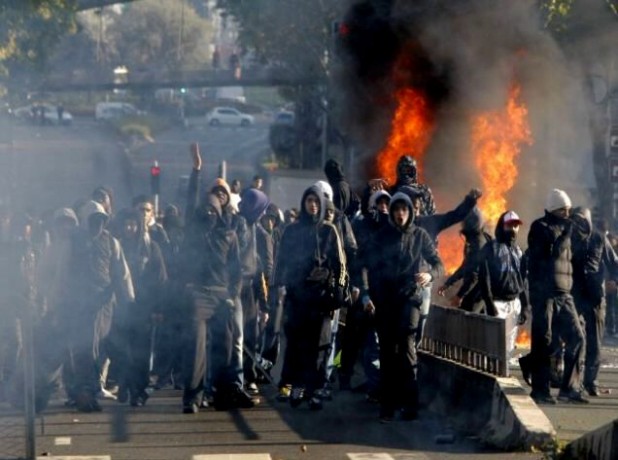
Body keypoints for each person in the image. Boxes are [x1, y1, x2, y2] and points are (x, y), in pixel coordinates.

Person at [182, 144, 254, 412]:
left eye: (222, 197)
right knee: (197, 350)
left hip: (223, 295)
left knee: (225, 349)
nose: (214, 207)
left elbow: (238, 267)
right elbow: (190, 201)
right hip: (199, 295)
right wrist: (196, 170)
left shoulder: (232, 230)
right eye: (211, 200)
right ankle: (193, 398)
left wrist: (232, 295)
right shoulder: (195, 227)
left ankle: (223, 395)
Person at [361, 192, 444, 422]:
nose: (400, 214)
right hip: (385, 302)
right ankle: (387, 407)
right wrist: (366, 295)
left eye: (404, 210)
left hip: (410, 299)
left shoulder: (420, 235)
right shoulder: (380, 237)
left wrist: (429, 274)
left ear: (410, 212)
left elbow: (439, 264)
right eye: (396, 209)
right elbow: (365, 266)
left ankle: (410, 405)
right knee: (387, 354)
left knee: (407, 349)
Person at [275, 185, 347, 410]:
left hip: (321, 298)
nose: (313, 205)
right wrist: (279, 286)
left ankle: (315, 390)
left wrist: (339, 291)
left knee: (320, 347)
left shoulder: (329, 231)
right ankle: (297, 388)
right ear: (304, 204)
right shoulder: (291, 231)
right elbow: (281, 262)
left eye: (316, 202)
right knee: (296, 345)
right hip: (298, 297)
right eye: (309, 201)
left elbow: (340, 264)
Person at [66, 200, 135, 412]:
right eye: (93, 220)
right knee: (85, 349)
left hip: (105, 304)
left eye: (101, 220)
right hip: (80, 304)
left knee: (102, 347)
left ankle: (105, 387)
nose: (97, 225)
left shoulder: (111, 242)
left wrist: (129, 298)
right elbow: (62, 273)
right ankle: (85, 393)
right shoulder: (73, 243)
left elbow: (122, 273)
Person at [523, 189, 587, 405]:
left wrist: (577, 228)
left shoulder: (567, 227)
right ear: (554, 210)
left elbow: (584, 239)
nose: (568, 214)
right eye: (564, 210)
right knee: (544, 341)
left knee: (577, 338)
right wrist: (566, 234)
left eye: (569, 210)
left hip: (564, 293)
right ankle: (540, 390)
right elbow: (551, 255)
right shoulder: (539, 228)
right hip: (545, 293)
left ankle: (570, 388)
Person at [114, 209, 168, 407]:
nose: (130, 228)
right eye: (126, 224)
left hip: (143, 308)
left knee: (142, 352)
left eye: (133, 224)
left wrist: (158, 308)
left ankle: (138, 389)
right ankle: (125, 382)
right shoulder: (116, 246)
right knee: (122, 349)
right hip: (121, 306)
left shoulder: (151, 248)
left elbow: (161, 279)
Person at [570, 207, 618, 396]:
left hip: (597, 297)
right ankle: (574, 382)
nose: (578, 224)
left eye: (581, 220)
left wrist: (614, 281)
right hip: (576, 296)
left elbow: (614, 263)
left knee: (595, 343)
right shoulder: (569, 239)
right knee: (576, 340)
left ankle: (591, 382)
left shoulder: (599, 238)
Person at [477, 211, 529, 353]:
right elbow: (484, 279)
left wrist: (525, 306)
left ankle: (504, 373)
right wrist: (489, 304)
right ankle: (492, 373)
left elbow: (523, 281)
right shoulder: (491, 248)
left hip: (514, 304)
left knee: (509, 347)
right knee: (494, 345)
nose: (513, 229)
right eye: (509, 225)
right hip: (497, 303)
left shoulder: (519, 252)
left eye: (516, 226)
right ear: (502, 226)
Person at [438, 207, 492, 312]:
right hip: (477, 291)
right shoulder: (474, 239)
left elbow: (474, 275)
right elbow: (465, 266)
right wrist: (448, 283)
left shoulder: (478, 244)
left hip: (477, 293)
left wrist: (460, 295)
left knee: (469, 319)